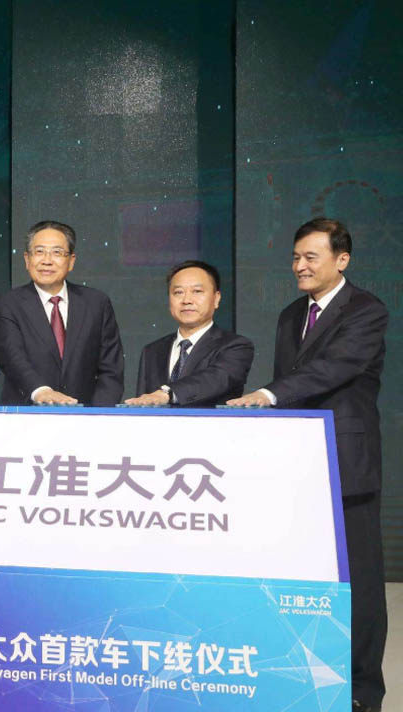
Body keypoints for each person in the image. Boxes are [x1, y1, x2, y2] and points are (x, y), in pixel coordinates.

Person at [227, 218, 388, 712]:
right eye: (296, 257)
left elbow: (332, 368)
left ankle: (363, 689)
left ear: (342, 260)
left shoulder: (366, 310)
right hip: (300, 465)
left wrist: (268, 394)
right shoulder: (290, 314)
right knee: (306, 579)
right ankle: (308, 680)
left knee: (359, 582)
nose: (299, 266)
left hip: (347, 461)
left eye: (311, 257)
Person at [0, 220, 123, 406]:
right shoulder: (7, 304)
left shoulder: (96, 303)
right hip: (27, 415)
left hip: (85, 416)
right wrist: (41, 392)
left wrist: (98, 415)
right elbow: (12, 359)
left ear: (71, 261)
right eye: (39, 252)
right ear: (27, 260)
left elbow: (111, 370)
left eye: (57, 252)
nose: (47, 260)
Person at [125, 260, 253, 407]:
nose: (186, 300)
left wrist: (167, 393)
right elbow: (143, 403)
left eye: (197, 291)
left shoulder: (236, 346)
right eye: (178, 292)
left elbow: (215, 379)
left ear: (216, 298)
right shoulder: (152, 351)